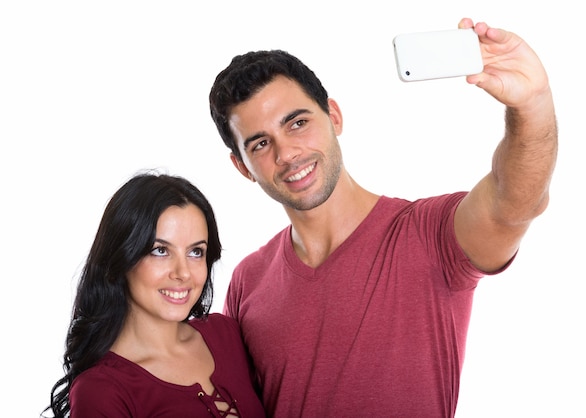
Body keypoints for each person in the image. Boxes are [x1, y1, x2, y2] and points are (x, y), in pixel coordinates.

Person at [208, 17, 557, 417]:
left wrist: (532, 104)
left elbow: (515, 202)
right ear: (242, 167)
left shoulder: (428, 234)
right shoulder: (247, 281)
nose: (286, 154)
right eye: (261, 144)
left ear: (334, 117)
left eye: (298, 123)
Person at [44, 172, 265, 418]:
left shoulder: (227, 334)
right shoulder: (101, 391)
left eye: (195, 252)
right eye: (160, 250)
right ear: (121, 258)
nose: (183, 273)